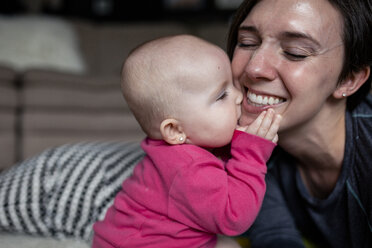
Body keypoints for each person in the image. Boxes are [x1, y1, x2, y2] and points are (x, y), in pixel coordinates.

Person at [92, 35, 281, 248]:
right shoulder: (189, 168)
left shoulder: (173, 152)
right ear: (174, 130)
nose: (238, 96)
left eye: (233, 85)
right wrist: (250, 156)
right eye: (221, 96)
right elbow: (234, 218)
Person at [226, 0, 372, 247]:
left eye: (295, 52)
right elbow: (276, 237)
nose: (254, 67)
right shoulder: (246, 151)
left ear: (348, 80)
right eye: (247, 43)